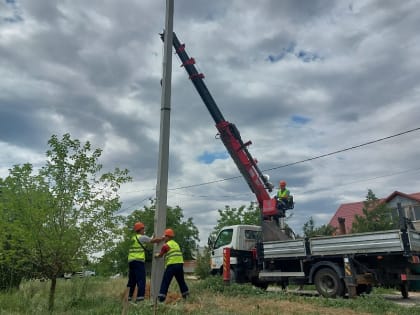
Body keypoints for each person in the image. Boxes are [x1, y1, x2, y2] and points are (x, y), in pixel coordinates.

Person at [127, 221, 162, 304]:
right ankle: (140, 299)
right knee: (141, 280)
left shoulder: (133, 238)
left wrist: (151, 237)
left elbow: (148, 240)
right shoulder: (142, 237)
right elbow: (153, 241)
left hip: (131, 262)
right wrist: (162, 238)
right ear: (140, 229)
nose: (144, 230)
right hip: (139, 261)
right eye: (143, 229)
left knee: (132, 280)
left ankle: (128, 298)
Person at [154, 228, 189, 303]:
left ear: (167, 237)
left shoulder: (166, 245)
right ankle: (186, 295)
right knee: (181, 281)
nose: (164, 238)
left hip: (171, 265)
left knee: (166, 281)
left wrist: (156, 255)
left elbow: (160, 255)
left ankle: (161, 298)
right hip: (179, 265)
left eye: (165, 237)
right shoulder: (176, 244)